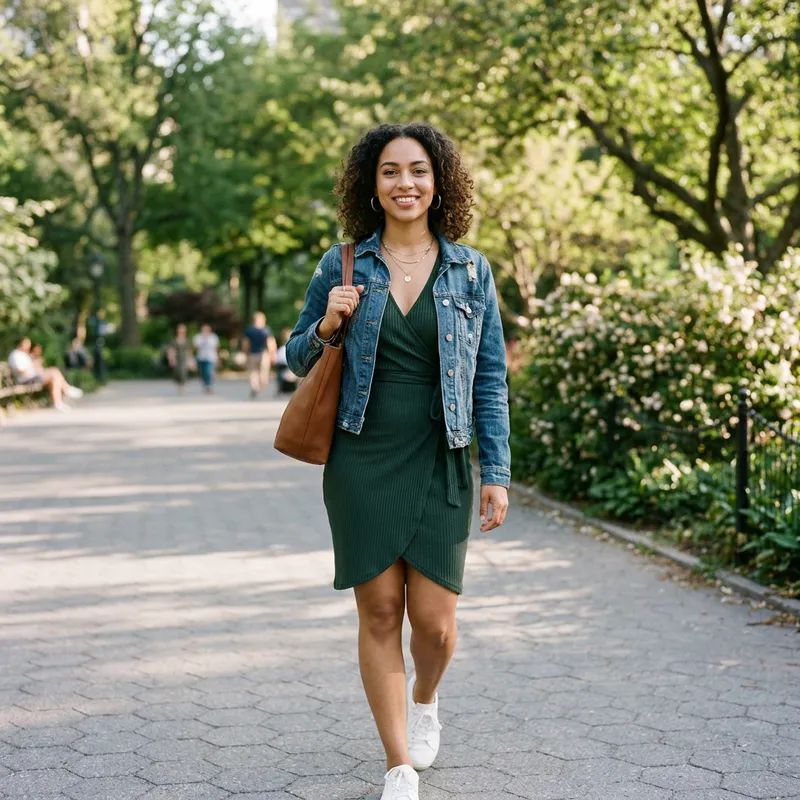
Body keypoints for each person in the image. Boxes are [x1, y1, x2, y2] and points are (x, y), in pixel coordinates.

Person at [285, 123, 510, 800]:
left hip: (441, 455)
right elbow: (298, 355)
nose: (404, 183)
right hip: (362, 456)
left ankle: (426, 696)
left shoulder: (471, 269)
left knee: (436, 625)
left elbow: (490, 376)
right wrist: (328, 323)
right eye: (390, 171)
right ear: (371, 184)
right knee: (380, 612)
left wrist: (495, 470)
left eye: (417, 170)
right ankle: (398, 764)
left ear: (439, 181)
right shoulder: (344, 263)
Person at [8, 337, 83, 411]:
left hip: (32, 376)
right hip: (26, 380)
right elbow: (20, 370)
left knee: (54, 379)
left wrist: (37, 367)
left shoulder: (23, 354)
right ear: (21, 344)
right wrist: (33, 367)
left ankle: (58, 403)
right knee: (54, 372)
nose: (29, 346)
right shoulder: (16, 355)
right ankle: (67, 389)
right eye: (27, 344)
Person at [242, 312, 277, 399]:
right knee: (263, 373)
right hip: (263, 354)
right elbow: (271, 342)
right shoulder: (266, 330)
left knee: (253, 372)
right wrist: (272, 354)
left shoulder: (249, 330)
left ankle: (255, 387)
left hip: (253, 354)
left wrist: (245, 353)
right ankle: (260, 385)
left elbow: (246, 343)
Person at [193, 324, 219, 393]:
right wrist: (203, 339)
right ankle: (205, 385)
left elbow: (216, 347)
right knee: (203, 372)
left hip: (211, 357)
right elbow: (195, 346)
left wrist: (218, 358)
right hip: (201, 357)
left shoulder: (213, 337)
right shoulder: (198, 337)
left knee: (208, 371)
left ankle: (209, 385)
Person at [167, 324, 191, 394]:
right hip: (177, 358)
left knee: (183, 372)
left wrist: (191, 360)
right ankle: (179, 384)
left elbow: (188, 351)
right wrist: (171, 358)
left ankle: (182, 386)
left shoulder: (186, 340)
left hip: (184, 358)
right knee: (177, 372)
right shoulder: (175, 340)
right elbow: (171, 349)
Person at [274, 328, 299, 394]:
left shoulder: (281, 350)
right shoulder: (294, 349)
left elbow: (277, 361)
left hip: (286, 371)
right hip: (292, 370)